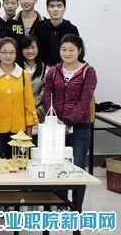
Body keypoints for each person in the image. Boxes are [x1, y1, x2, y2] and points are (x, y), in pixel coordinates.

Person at [42, 35, 96, 206]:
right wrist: (55, 120)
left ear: (79, 51)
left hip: (80, 128)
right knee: (58, 167)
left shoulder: (88, 71)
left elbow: (85, 101)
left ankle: (76, 207)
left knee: (77, 169)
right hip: (56, 127)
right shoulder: (53, 71)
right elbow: (47, 96)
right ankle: (61, 205)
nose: (67, 53)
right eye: (63, 49)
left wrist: (69, 123)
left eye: (71, 50)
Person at [0, 37, 38, 159]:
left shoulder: (23, 75)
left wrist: (29, 135)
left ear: (16, 53)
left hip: (19, 130)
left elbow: (29, 106)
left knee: (18, 164)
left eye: (12, 52)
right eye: (4, 52)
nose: (8, 56)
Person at [33, 0, 80, 66]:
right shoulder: (39, 28)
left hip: (65, 69)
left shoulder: (72, 29)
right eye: (52, 6)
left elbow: (76, 52)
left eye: (59, 6)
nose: (55, 9)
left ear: (64, 9)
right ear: (47, 9)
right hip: (42, 69)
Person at [18, 35, 49, 125]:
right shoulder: (15, 69)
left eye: (33, 47)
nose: (30, 51)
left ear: (38, 48)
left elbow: (47, 95)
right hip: (18, 112)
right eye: (26, 48)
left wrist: (37, 111)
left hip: (39, 113)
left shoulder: (46, 69)